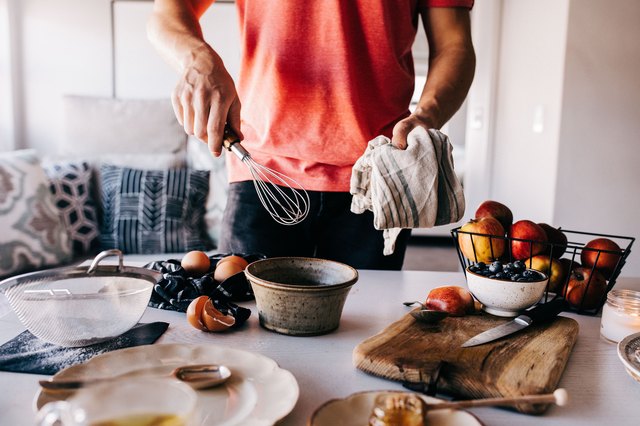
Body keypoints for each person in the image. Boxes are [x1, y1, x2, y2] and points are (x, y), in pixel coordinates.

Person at [148, 0, 475, 270]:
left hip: (376, 179)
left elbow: (454, 46)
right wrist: (198, 60)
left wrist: (427, 116)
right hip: (262, 176)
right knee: (243, 329)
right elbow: (167, 13)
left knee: (360, 334)